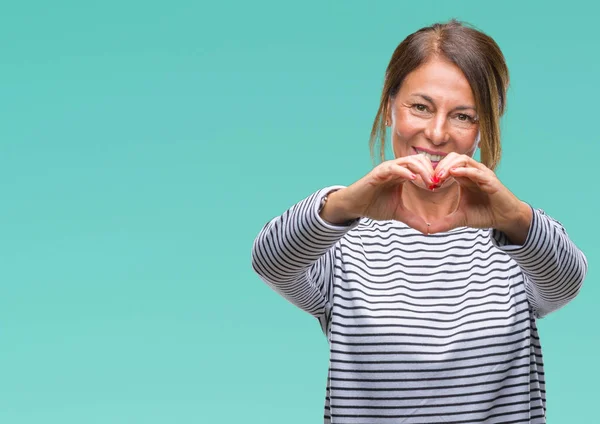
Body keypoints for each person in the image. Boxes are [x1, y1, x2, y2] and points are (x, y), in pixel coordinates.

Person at [251, 19, 587, 424]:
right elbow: (271, 262)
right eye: (421, 107)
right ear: (389, 106)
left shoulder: (516, 234)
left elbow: (568, 282)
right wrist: (343, 204)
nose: (437, 132)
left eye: (464, 116)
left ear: (484, 128)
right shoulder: (342, 241)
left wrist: (515, 216)